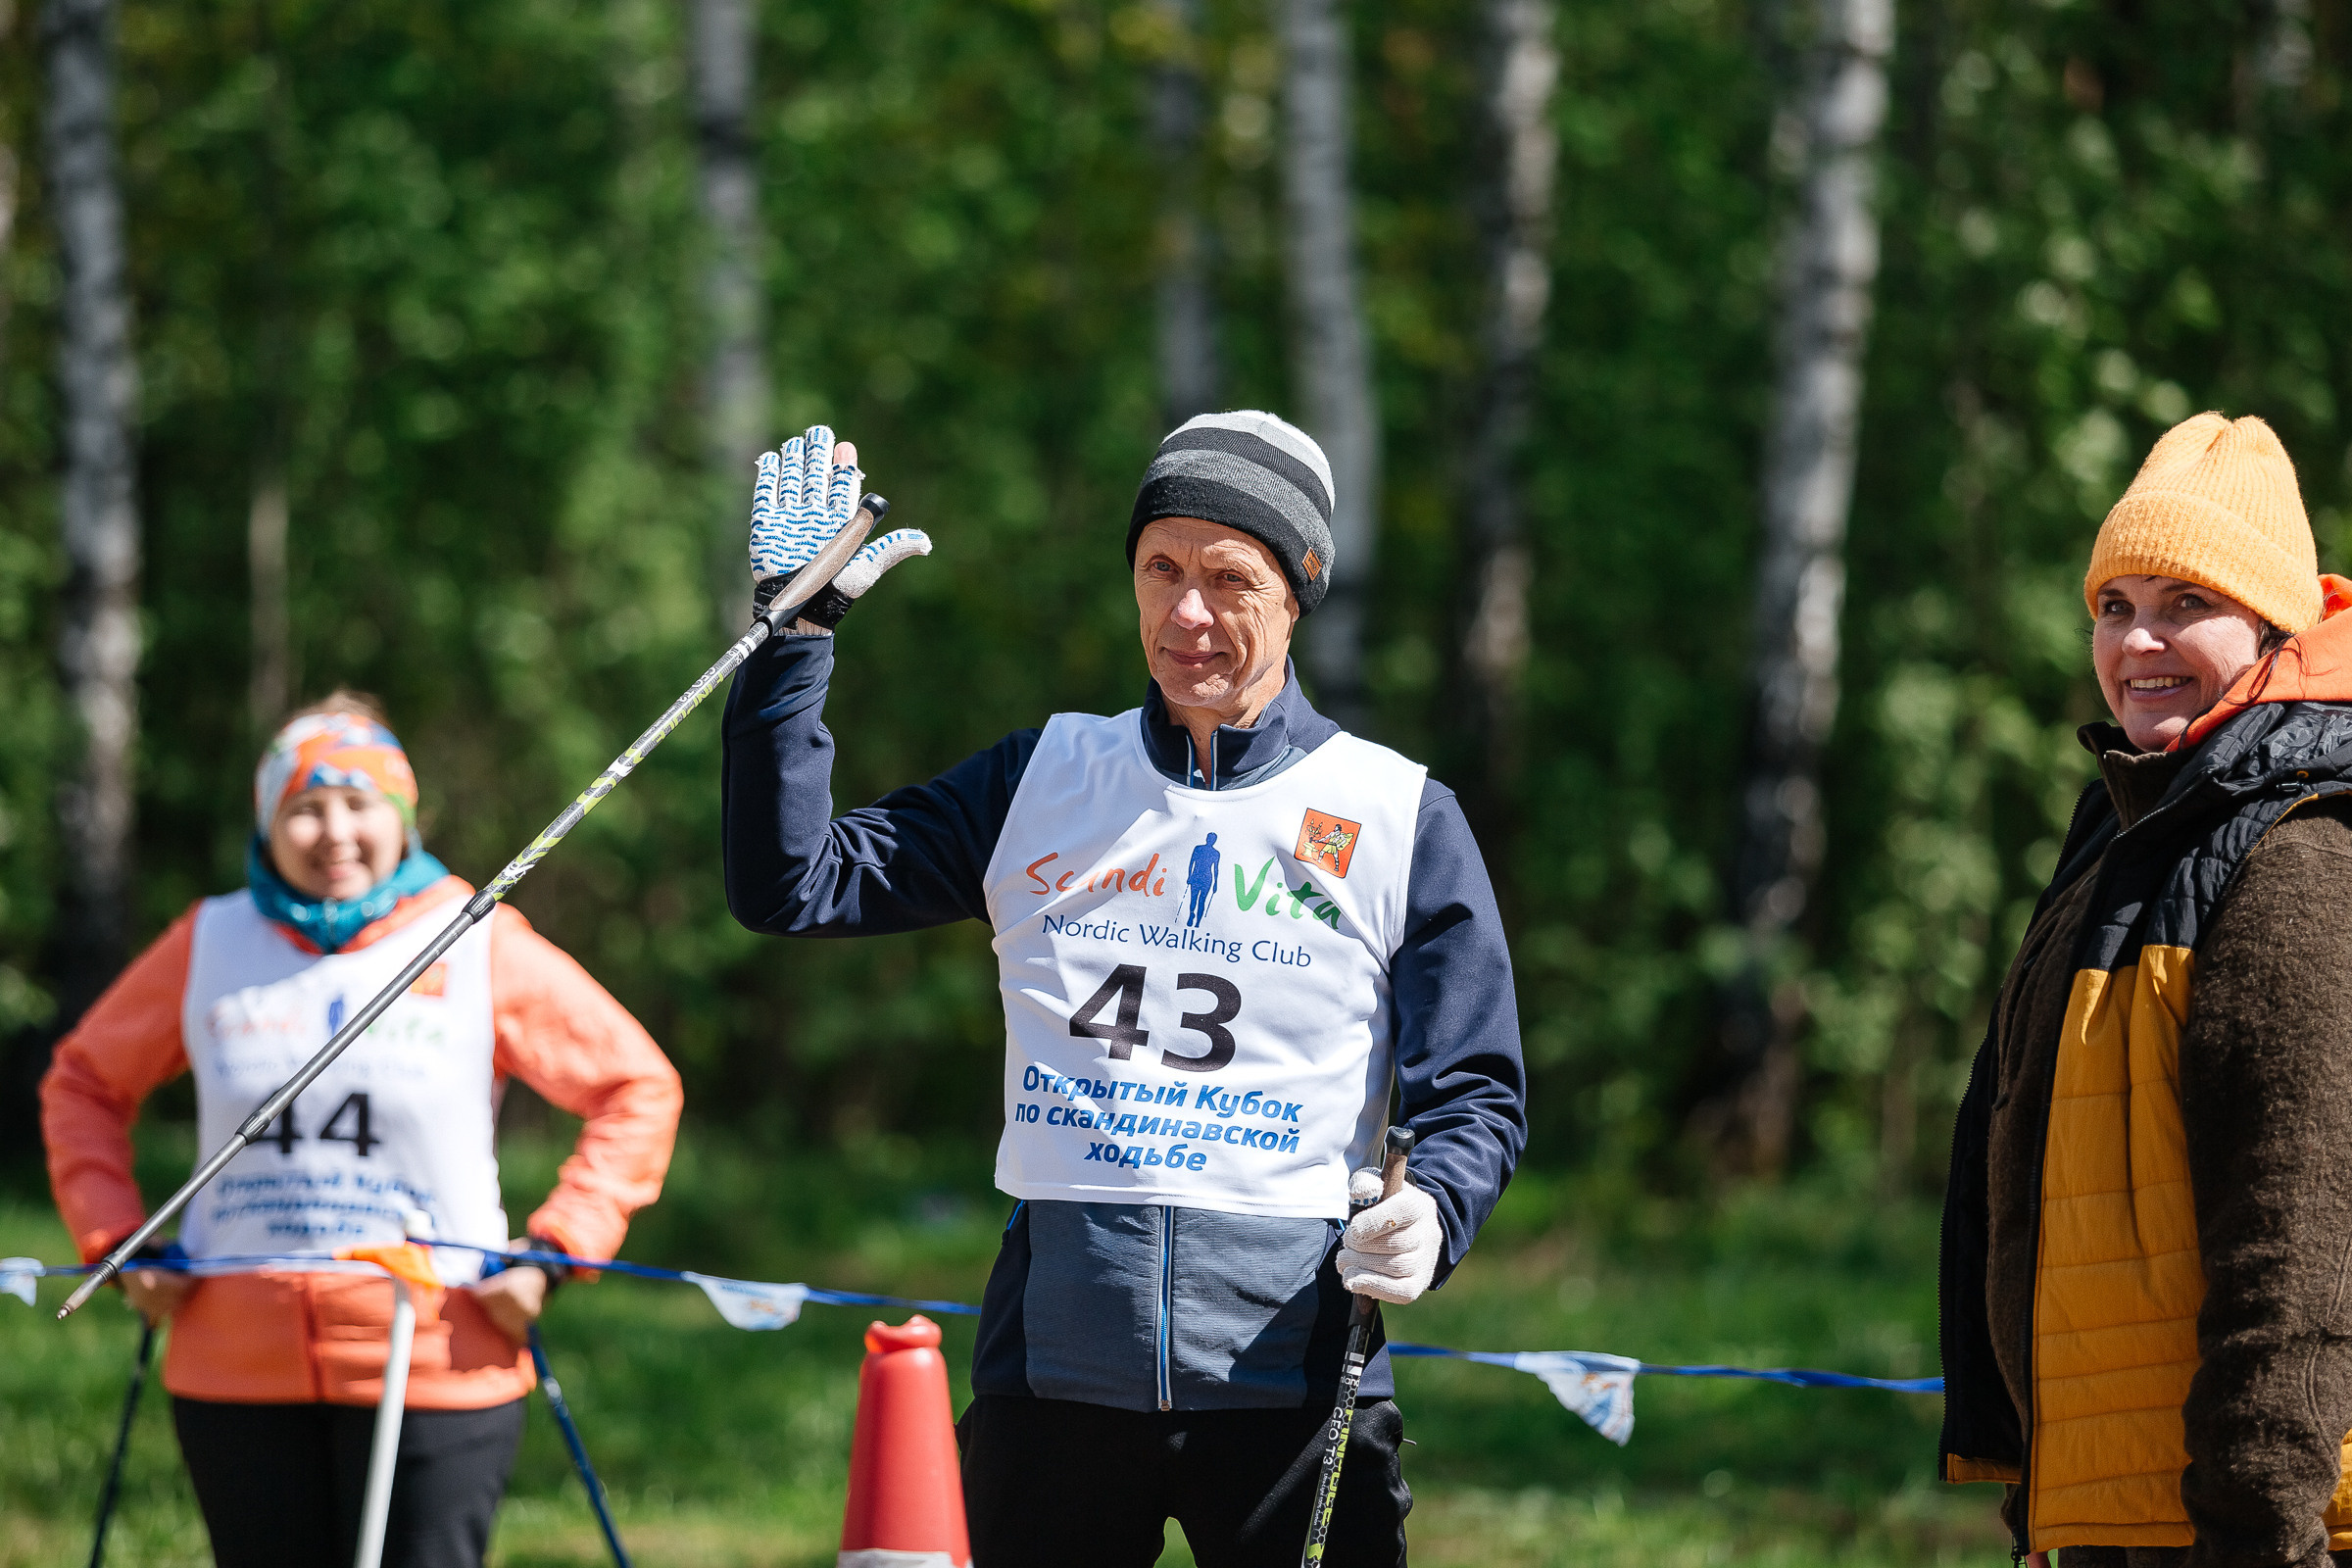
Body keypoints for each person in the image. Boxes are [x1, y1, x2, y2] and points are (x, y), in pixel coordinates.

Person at [722, 415, 1527, 1566]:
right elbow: (790, 883)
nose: (1187, 613)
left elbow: (1478, 1089)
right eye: (1161, 570)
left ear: (1299, 591)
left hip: (1286, 1381)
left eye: (1228, 578)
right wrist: (791, 639)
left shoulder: (1399, 814)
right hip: (1052, 1377)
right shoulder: (1045, 775)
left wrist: (1436, 1207)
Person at [43, 697, 683, 1568]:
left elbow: (634, 1084)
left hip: (439, 1358)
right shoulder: (211, 938)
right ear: (268, 824)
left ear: (404, 815)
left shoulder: (472, 931)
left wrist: (559, 1248)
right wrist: (117, 1241)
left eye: (360, 803)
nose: (333, 832)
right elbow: (82, 1082)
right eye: (303, 807)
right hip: (236, 1368)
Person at [1938, 413, 2352, 1567]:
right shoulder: (2128, 832)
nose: (2139, 642)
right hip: (2117, 1514)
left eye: (2186, 604)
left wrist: (2258, 1536)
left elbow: (2300, 1244)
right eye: (2114, 607)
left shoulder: (2297, 856)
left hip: (2245, 1529)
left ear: (2272, 627)